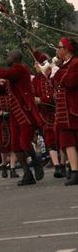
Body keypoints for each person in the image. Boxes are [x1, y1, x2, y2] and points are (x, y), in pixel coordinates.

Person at [0, 50, 44, 186]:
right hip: (15, 114)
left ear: (15, 58)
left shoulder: (20, 69)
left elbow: (4, 74)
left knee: (24, 143)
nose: (6, 58)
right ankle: (27, 173)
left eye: (8, 56)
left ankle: (36, 159)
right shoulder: (14, 73)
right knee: (15, 145)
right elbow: (2, 88)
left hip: (25, 112)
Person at [31, 49, 64, 178]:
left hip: (58, 111)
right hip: (45, 115)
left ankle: (63, 164)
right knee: (50, 140)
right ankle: (57, 166)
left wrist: (41, 100)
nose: (35, 66)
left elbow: (54, 95)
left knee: (61, 139)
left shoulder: (53, 75)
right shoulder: (36, 80)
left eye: (37, 64)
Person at [52, 37, 78, 186]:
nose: (57, 49)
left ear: (66, 49)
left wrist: (57, 72)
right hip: (65, 111)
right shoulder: (64, 65)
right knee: (68, 142)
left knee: (73, 142)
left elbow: (71, 81)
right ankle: (74, 171)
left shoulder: (75, 63)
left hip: (73, 109)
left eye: (59, 47)